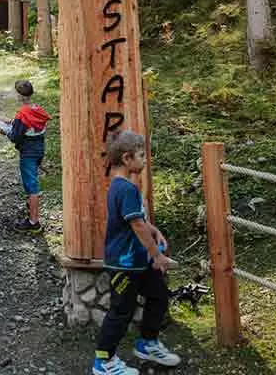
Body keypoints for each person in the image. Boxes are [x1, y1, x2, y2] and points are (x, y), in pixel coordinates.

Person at [92, 130, 181, 375]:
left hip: (138, 262)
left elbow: (139, 221)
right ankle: (104, 361)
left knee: (158, 296)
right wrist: (157, 255)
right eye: (142, 156)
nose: (145, 160)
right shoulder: (125, 189)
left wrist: (155, 230)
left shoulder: (123, 186)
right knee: (121, 311)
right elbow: (136, 225)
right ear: (127, 158)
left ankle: (147, 343)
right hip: (124, 264)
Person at [3, 79, 50, 233]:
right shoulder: (37, 109)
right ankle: (31, 211)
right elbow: (33, 125)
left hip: (28, 153)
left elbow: (15, 137)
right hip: (39, 149)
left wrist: (6, 131)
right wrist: (13, 122)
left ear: (18, 95)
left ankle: (33, 221)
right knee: (33, 182)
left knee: (31, 187)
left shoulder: (21, 115)